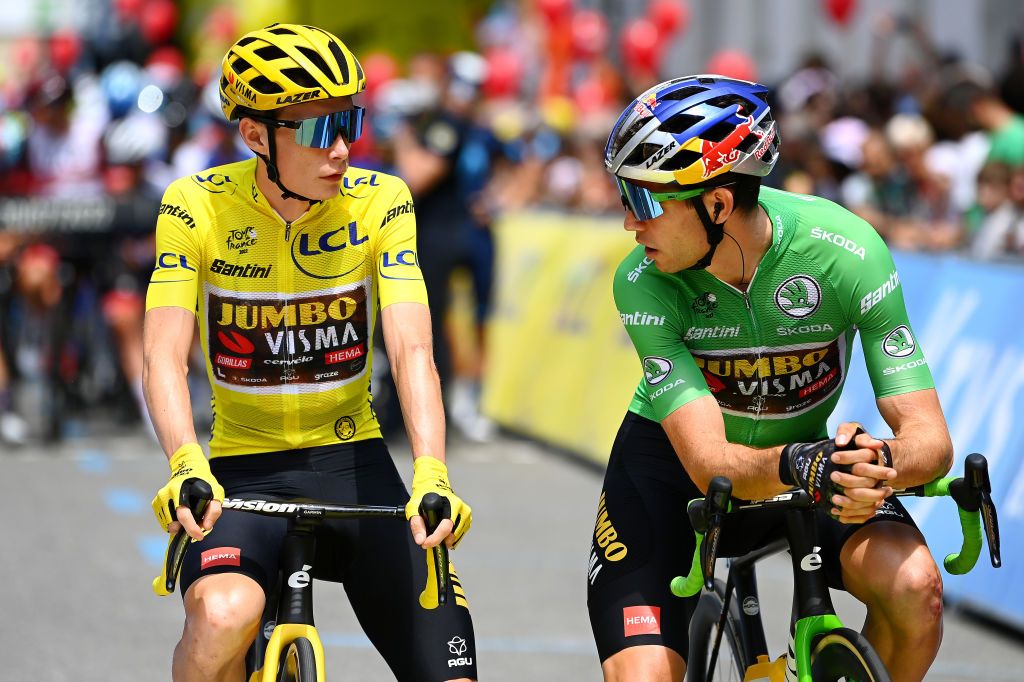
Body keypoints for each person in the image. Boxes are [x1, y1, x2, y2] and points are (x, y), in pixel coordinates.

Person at [589, 75, 952, 682]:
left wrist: (874, 463)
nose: (630, 222)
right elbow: (710, 464)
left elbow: (930, 440)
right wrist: (805, 463)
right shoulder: (642, 281)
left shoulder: (845, 252)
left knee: (917, 589)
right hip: (670, 474)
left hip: (811, 462)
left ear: (719, 204)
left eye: (644, 199)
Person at [144, 24, 476, 682]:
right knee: (221, 620)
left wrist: (432, 471)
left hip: (356, 464)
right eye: (320, 131)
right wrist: (185, 459)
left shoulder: (381, 201)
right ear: (255, 136)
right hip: (243, 475)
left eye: (348, 122)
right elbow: (161, 353)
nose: (343, 150)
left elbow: (412, 348)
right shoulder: (195, 206)